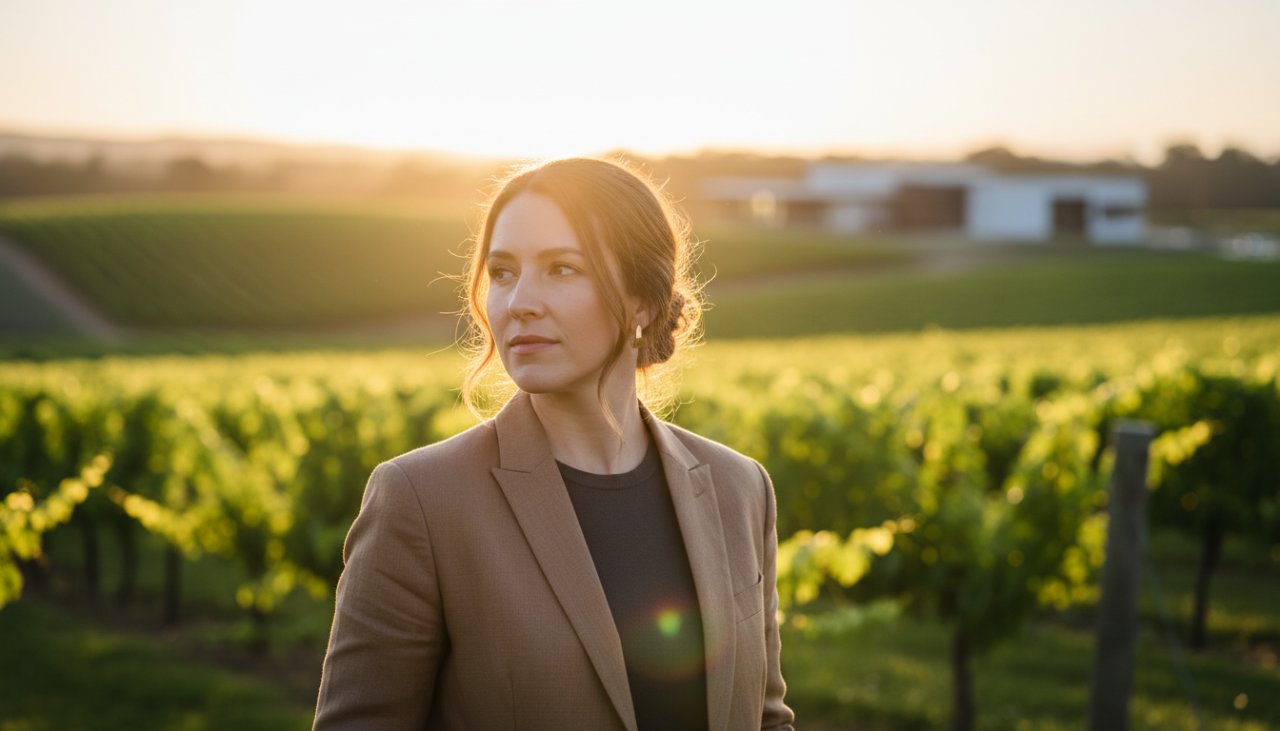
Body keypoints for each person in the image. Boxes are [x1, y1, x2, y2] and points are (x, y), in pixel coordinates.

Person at [313, 157, 795, 730]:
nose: (519, 302)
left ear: (643, 300)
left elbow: (766, 717)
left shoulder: (740, 487)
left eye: (561, 269)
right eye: (502, 272)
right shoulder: (421, 499)